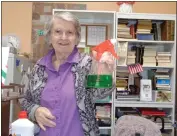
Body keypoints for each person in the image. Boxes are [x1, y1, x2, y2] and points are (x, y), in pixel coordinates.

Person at [19, 11, 116, 136]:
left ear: (76, 38)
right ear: (50, 37)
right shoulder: (39, 68)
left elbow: (99, 93)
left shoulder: (86, 64)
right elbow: (25, 100)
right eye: (58, 32)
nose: (63, 37)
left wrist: (106, 73)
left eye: (70, 32)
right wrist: (35, 111)